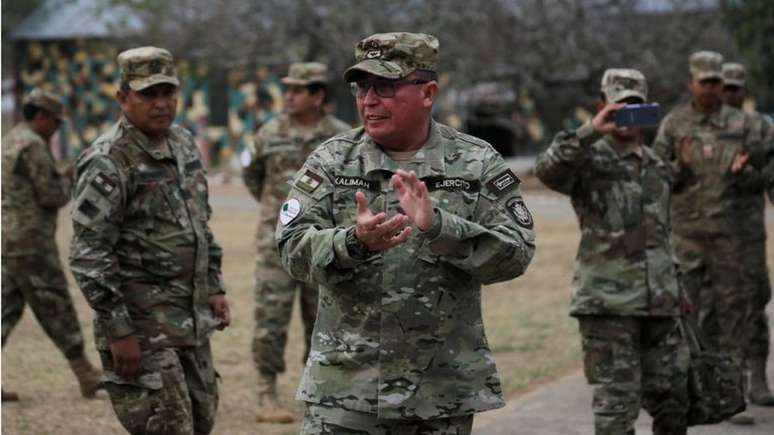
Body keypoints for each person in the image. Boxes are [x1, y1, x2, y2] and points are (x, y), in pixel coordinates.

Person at [276, 32, 536, 435]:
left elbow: (517, 253)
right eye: (362, 87)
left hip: (439, 394)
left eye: (386, 86)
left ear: (428, 92)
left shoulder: (475, 162)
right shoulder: (330, 160)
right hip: (346, 394)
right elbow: (291, 248)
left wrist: (440, 228)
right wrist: (352, 243)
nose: (369, 100)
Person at [69, 47, 231, 435]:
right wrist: (118, 331)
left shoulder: (184, 144)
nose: (161, 104)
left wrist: (213, 285)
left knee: (202, 420)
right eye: (148, 95)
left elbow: (198, 224)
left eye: (167, 93)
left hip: (189, 321)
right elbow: (89, 253)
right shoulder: (109, 159)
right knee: (167, 427)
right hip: (141, 327)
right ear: (123, 98)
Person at [535, 69, 689, 435]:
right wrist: (591, 129)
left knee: (675, 402)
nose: (626, 115)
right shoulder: (586, 159)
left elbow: (662, 233)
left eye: (635, 106)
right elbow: (547, 170)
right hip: (608, 303)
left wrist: (677, 287)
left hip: (661, 303)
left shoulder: (656, 165)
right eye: (619, 106)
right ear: (603, 106)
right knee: (616, 408)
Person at [653, 51, 764, 425]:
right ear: (691, 83)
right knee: (688, 317)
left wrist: (741, 174)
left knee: (734, 315)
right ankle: (689, 393)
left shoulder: (742, 123)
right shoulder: (674, 124)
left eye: (717, 82)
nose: (712, 88)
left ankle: (734, 398)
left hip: (729, 238)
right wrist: (679, 166)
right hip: (687, 238)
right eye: (705, 82)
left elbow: (759, 180)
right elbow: (655, 180)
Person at [243, 61, 350, 423]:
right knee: (269, 320)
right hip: (274, 247)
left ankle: (317, 393)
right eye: (286, 88)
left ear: (318, 95)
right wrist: (278, 214)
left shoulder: (342, 138)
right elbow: (253, 176)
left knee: (321, 319)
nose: (287, 96)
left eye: (296, 90)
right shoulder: (268, 133)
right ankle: (265, 395)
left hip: (321, 245)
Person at [1, 88, 102, 402]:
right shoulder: (33, 147)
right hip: (30, 242)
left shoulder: (11, 139)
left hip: (8, 237)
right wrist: (71, 177)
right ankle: (86, 374)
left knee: (5, 309)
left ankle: (86, 374)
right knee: (56, 304)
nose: (57, 129)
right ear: (42, 117)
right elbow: (51, 195)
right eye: (56, 123)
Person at [721, 61, 774, 407]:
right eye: (725, 87)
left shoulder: (759, 128)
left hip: (749, 232)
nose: (730, 93)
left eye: (736, 87)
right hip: (706, 235)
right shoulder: (692, 126)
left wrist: (748, 174)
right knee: (715, 307)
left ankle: (758, 379)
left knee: (755, 301)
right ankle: (729, 384)